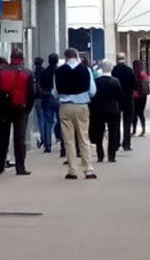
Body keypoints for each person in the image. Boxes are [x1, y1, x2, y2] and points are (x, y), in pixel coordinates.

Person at [0, 49, 37, 175]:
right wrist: (27, 110)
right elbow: (32, 94)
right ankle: (20, 167)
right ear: (22, 59)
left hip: (4, 107)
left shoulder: (0, 71)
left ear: (11, 57)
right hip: (20, 107)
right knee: (19, 138)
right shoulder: (27, 73)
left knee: (2, 137)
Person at [55, 48, 97, 180]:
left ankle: (72, 170)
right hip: (81, 106)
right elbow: (92, 91)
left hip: (65, 106)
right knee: (83, 138)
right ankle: (88, 169)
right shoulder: (86, 70)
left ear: (66, 57)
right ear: (77, 56)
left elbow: (55, 92)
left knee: (69, 140)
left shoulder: (59, 71)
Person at [90, 59, 122, 163]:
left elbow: (93, 96)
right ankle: (111, 156)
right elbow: (119, 95)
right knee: (113, 132)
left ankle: (100, 155)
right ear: (111, 68)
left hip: (98, 109)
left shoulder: (96, 81)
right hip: (113, 109)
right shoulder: (116, 81)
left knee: (99, 132)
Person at [111, 54, 137, 151]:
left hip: (117, 98)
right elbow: (135, 85)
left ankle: (116, 143)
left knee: (116, 122)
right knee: (127, 122)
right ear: (125, 59)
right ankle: (126, 144)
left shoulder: (114, 70)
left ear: (117, 59)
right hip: (128, 98)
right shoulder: (129, 70)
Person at [37, 54, 59, 153]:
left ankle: (48, 145)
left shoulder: (44, 72)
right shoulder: (60, 71)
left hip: (47, 97)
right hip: (58, 97)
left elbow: (41, 85)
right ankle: (62, 143)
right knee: (61, 121)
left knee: (47, 122)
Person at [132, 59, 150, 137]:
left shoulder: (133, 74)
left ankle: (134, 130)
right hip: (143, 96)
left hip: (134, 96)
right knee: (141, 113)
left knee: (134, 113)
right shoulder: (144, 74)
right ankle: (143, 129)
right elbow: (146, 85)